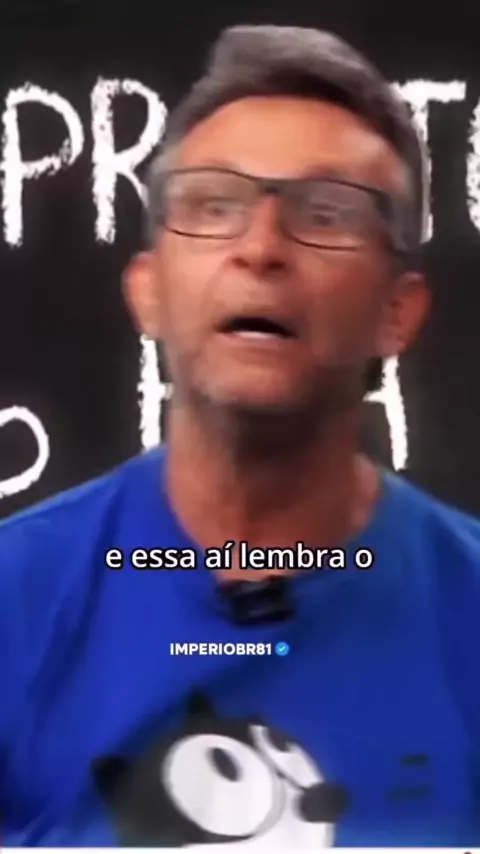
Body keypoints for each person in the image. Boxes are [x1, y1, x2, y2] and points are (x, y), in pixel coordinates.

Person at [0, 23, 479, 849]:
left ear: (397, 312)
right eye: (214, 206)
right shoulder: (18, 604)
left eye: (325, 213)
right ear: (147, 291)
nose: (261, 248)